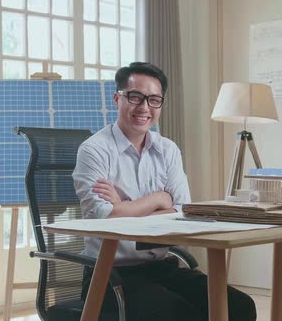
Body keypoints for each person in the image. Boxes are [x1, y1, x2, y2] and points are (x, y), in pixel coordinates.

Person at [73, 62, 257, 321]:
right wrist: (159, 200)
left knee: (239, 306)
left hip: (162, 267)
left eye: (154, 100)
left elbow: (183, 211)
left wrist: (126, 208)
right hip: (109, 275)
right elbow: (107, 218)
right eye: (135, 97)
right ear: (117, 98)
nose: (145, 107)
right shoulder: (94, 151)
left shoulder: (168, 150)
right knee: (178, 314)